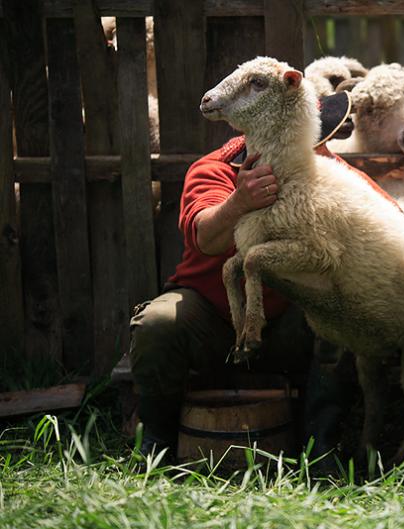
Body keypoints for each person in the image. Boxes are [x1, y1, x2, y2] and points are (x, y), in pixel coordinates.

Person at [129, 92, 356, 459]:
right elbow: (205, 237)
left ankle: (321, 449)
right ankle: (157, 443)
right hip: (213, 318)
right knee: (157, 324)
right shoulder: (213, 169)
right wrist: (240, 202)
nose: (319, 150)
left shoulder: (327, 168)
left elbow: (387, 218)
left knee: (340, 315)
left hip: (289, 323)